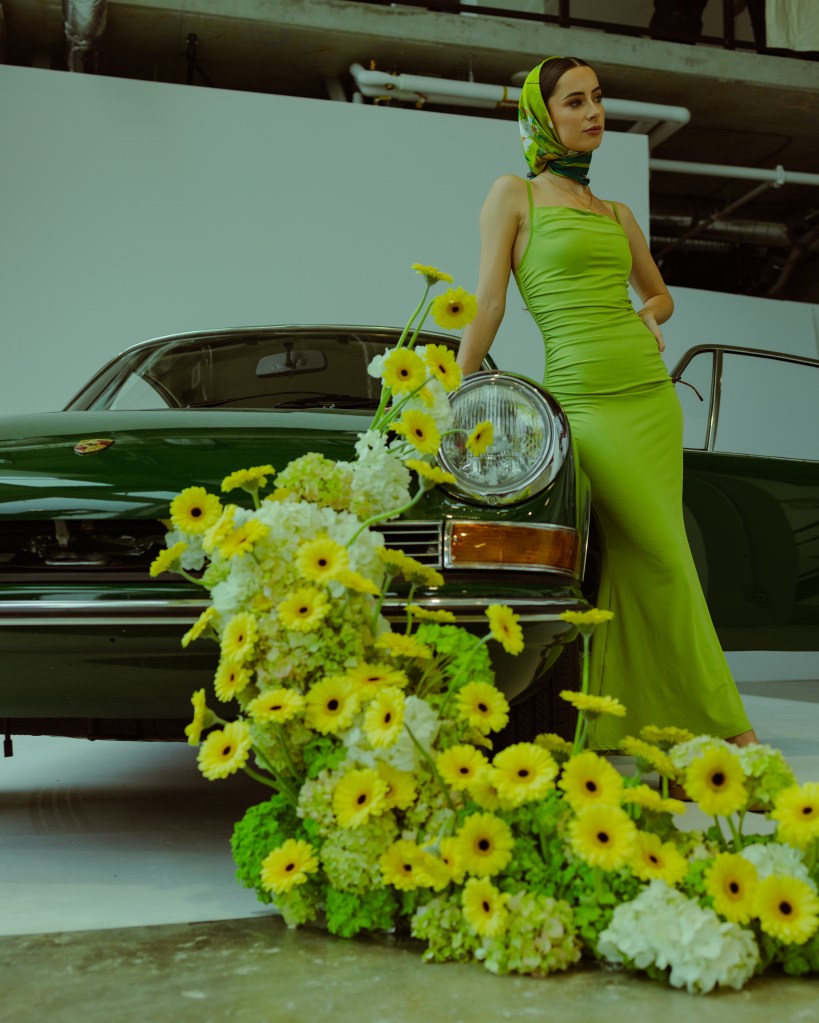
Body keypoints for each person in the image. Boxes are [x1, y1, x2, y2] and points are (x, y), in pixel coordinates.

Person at [456, 55, 758, 753]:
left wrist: (649, 313)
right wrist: (456, 392)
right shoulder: (513, 195)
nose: (593, 112)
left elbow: (660, 294)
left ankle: (626, 723)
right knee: (665, 555)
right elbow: (489, 303)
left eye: (597, 98)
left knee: (642, 561)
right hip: (585, 402)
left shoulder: (615, 212)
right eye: (574, 101)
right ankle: (728, 728)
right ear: (543, 116)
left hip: (650, 398)